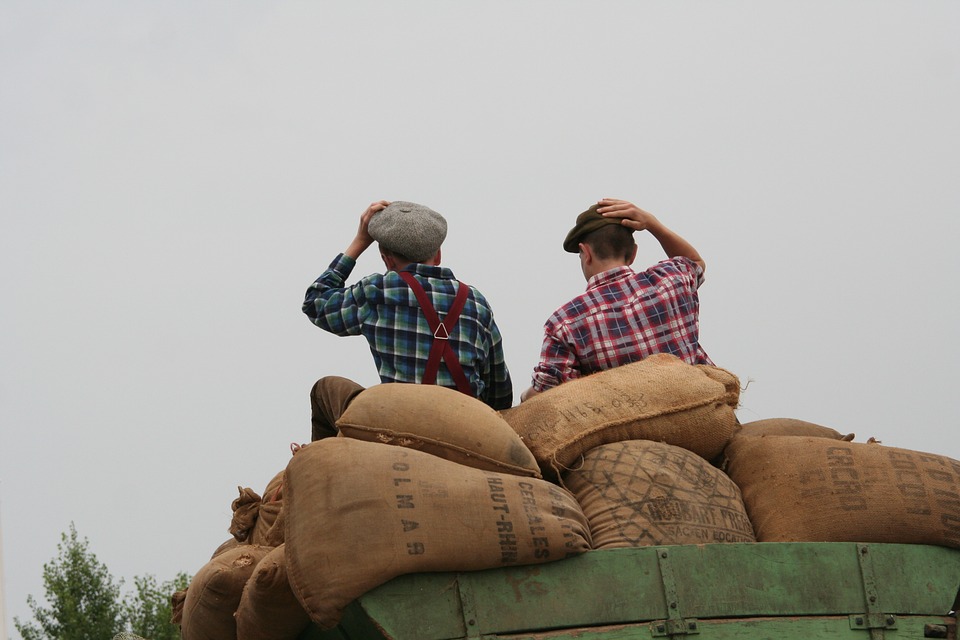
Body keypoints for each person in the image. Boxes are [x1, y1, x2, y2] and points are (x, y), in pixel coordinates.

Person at [303, 199, 513, 440]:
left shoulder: (378, 290)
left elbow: (315, 302)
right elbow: (500, 393)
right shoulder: (476, 301)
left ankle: (327, 461)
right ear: (439, 254)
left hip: (401, 427)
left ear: (387, 259)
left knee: (326, 388)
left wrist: (360, 242)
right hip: (466, 429)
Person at [521, 197, 712, 401]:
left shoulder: (564, 322)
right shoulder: (671, 278)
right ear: (633, 254)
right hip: (696, 404)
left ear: (586, 254)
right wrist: (652, 224)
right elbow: (695, 261)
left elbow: (548, 390)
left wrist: (525, 397)